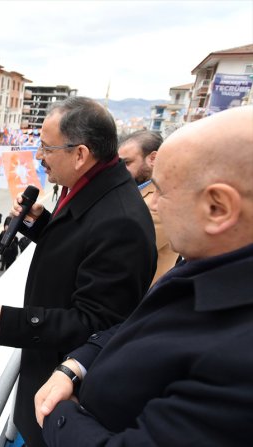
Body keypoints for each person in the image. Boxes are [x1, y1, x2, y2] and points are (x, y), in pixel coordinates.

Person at [0, 97, 156, 447]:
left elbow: (98, 324)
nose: (39, 157)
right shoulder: (91, 188)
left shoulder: (121, 221)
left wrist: (3, 321)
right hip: (44, 380)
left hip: (62, 394)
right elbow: (79, 252)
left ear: (80, 154)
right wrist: (40, 223)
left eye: (46, 147)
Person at [35, 105, 253, 445]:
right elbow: (138, 325)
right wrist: (75, 366)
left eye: (162, 191)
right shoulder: (204, 266)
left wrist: (59, 414)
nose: (152, 205)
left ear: (218, 208)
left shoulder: (240, 358)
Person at [118, 130, 179, 284]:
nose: (120, 170)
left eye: (127, 163)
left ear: (153, 158)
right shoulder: (133, 190)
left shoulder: (161, 201)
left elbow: (125, 252)